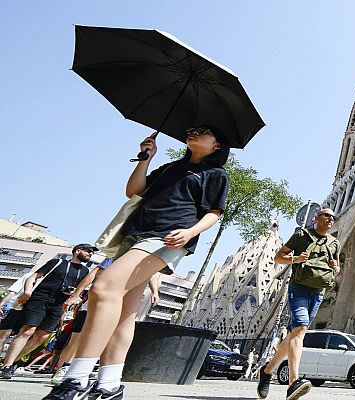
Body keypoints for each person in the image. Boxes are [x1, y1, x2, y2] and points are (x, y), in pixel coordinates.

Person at [43, 126, 230, 400]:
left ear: (216, 146)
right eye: (191, 130)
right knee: (124, 310)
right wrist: (146, 158)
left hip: (167, 239)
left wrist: (190, 232)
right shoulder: (169, 168)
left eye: (203, 132)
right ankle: (109, 384)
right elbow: (134, 191)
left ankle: (76, 378)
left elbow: (215, 212)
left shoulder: (216, 174)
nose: (193, 133)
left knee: (103, 288)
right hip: (135, 234)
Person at [256, 208, 340, 400]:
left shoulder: (334, 243)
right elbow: (278, 257)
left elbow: (336, 267)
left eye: (333, 217)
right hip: (299, 287)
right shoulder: (301, 235)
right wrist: (295, 259)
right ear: (316, 218)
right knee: (300, 329)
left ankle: (267, 370)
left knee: (296, 333)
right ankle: (293, 382)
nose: (330, 219)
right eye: (326, 215)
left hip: (319, 291)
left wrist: (335, 269)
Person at [0, 244, 94, 379]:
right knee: (28, 330)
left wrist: (74, 295)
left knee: (42, 337)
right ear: (77, 251)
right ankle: (7, 366)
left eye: (91, 252)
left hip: (59, 304)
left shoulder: (85, 271)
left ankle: (14, 361)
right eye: (88, 251)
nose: (90, 254)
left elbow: (79, 290)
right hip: (40, 298)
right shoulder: (58, 262)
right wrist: (27, 291)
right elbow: (32, 277)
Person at [0, 270, 35, 356]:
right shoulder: (29, 275)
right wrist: (2, 304)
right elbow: (13, 291)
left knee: (11, 336)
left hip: (28, 309)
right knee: (4, 336)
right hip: (15, 306)